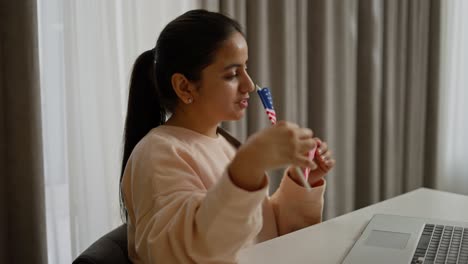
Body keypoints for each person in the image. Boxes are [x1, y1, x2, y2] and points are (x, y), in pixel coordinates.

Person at [120, 9, 336, 264]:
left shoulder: (222, 142)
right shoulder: (156, 153)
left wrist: (300, 182)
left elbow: (259, 234)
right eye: (232, 74)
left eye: (246, 68)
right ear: (184, 86)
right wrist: (248, 166)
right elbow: (186, 251)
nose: (250, 85)